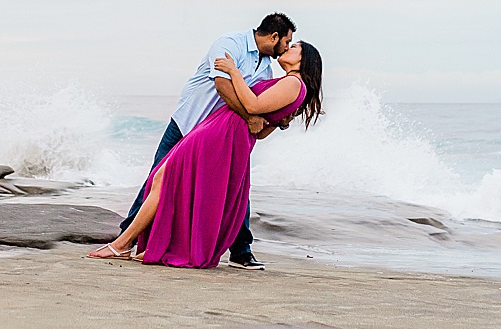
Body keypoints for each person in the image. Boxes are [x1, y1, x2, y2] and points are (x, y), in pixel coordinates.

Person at [88, 39, 324, 268]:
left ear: (305, 60)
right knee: (168, 180)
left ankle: (123, 244)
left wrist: (233, 71)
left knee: (166, 178)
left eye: (294, 47)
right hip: (226, 133)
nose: (288, 47)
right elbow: (261, 129)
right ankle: (142, 244)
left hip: (223, 135)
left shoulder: (293, 83)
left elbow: (252, 106)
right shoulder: (289, 84)